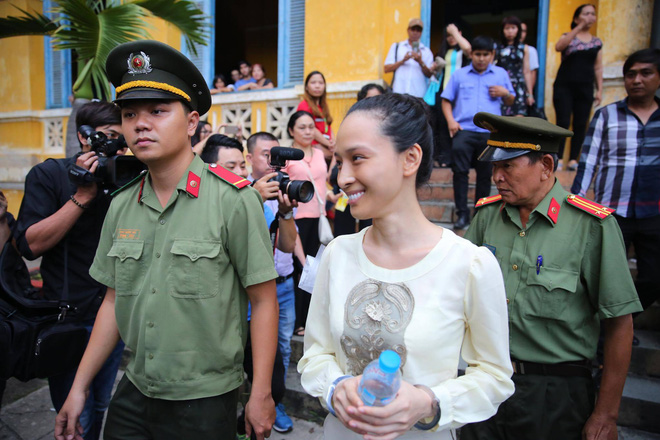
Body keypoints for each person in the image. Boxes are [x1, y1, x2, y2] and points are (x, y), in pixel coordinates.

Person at [54, 40, 279, 440]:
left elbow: (262, 300)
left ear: (192, 122)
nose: (141, 124)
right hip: (136, 388)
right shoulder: (121, 205)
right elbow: (112, 301)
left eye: (158, 111)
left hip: (205, 398)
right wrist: (79, 387)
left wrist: (260, 391)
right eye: (129, 114)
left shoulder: (233, 199)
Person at [298, 93, 514, 440]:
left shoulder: (469, 264)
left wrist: (429, 401)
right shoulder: (338, 254)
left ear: (410, 158)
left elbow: (493, 375)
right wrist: (336, 387)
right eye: (339, 161)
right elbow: (315, 355)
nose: (342, 177)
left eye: (358, 158)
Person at [461, 112, 642, 440]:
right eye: (494, 167)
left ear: (545, 165)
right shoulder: (488, 216)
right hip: (486, 381)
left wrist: (606, 413)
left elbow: (619, 323)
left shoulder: (591, 226)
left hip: (555, 394)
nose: (497, 177)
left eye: (508, 166)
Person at [15, 101, 126, 440]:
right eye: (106, 138)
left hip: (113, 314)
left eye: (121, 141)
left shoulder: (127, 178)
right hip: (67, 316)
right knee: (73, 412)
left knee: (100, 404)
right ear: (83, 136)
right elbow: (29, 245)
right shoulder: (48, 175)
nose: (114, 147)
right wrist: (82, 195)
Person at [572, 48, 660, 311]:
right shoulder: (606, 115)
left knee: (653, 279)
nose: (637, 80)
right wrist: (575, 203)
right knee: (606, 278)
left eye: (646, 73)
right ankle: (605, 338)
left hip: (654, 212)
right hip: (612, 212)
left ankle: (626, 325)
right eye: (630, 74)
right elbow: (588, 161)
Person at [246, 131, 307, 433]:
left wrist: (285, 212)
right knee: (249, 350)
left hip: (282, 285)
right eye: (266, 156)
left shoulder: (281, 192)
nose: (273, 164)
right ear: (249, 158)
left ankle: (275, 400)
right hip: (252, 292)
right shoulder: (239, 191)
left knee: (282, 349)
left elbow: (286, 245)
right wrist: (253, 198)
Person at [440, 35, 515, 230]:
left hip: (490, 132)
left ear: (492, 55)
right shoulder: (459, 75)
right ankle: (462, 214)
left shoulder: (500, 74)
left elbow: (511, 100)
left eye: (485, 54)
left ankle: (479, 215)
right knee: (460, 173)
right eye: (477, 54)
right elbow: (446, 100)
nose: (481, 58)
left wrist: (505, 93)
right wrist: (451, 121)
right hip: (463, 131)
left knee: (485, 175)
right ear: (471, 54)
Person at [283, 111, 328, 337]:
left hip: (319, 219)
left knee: (316, 269)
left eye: (311, 127)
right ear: (291, 130)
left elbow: (323, 184)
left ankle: (311, 319)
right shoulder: (288, 156)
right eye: (302, 127)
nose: (308, 131)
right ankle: (297, 320)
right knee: (301, 269)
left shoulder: (320, 153)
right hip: (297, 219)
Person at [553, 3, 603, 171]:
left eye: (592, 13)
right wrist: (578, 28)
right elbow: (559, 47)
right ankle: (557, 157)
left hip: (586, 87)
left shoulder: (597, 43)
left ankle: (573, 159)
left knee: (581, 124)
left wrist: (600, 90)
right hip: (564, 86)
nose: (590, 16)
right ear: (576, 17)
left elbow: (598, 67)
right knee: (563, 122)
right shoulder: (568, 36)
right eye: (586, 13)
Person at [432, 23, 472, 168]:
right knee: (443, 126)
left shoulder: (464, 51)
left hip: (461, 94)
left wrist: (455, 32)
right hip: (444, 93)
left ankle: (460, 159)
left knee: (460, 126)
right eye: (448, 35)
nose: (451, 38)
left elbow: (469, 50)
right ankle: (446, 158)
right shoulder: (444, 52)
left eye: (453, 35)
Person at [384, 18, 434, 98]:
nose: (415, 33)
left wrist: (420, 62)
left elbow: (430, 75)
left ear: (421, 33)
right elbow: (386, 69)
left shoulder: (426, 51)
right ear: (408, 30)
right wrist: (403, 61)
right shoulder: (397, 47)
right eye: (413, 29)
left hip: (418, 94)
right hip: (399, 92)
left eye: (418, 30)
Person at [497, 16, 534, 116]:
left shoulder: (524, 48)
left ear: (518, 30)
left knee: (519, 119)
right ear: (502, 30)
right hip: (502, 86)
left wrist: (530, 94)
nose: (510, 31)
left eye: (513, 28)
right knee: (501, 119)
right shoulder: (497, 48)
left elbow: (526, 71)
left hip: (519, 88)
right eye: (507, 28)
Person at [297, 71, 335, 165]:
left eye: (321, 83)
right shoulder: (304, 105)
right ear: (306, 87)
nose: (317, 86)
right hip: (313, 145)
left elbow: (329, 127)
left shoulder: (323, 106)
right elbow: (311, 129)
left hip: (326, 144)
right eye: (313, 83)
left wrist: (333, 142)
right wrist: (328, 144)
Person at [520, 22, 540, 99]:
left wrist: (529, 94)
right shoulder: (503, 50)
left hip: (522, 92)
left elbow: (532, 73)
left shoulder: (530, 50)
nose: (521, 34)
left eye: (524, 31)